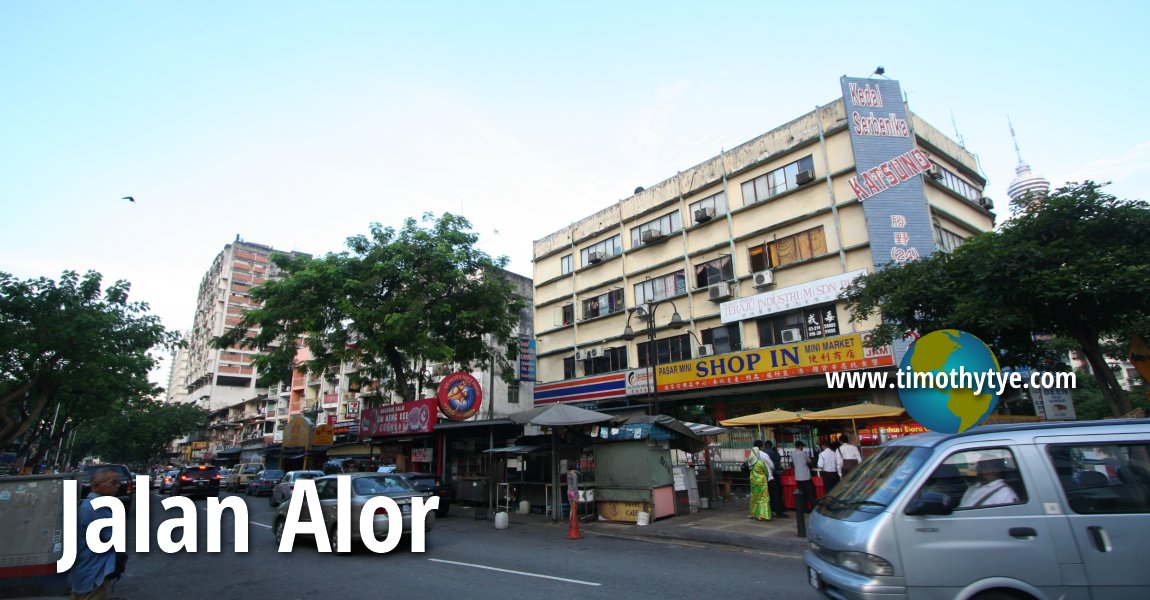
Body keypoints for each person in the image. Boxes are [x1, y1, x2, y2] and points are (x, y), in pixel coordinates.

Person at [70, 468, 119, 600]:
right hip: (93, 572)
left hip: (84, 571)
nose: (117, 486)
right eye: (113, 483)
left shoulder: (88, 505)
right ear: (97, 487)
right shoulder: (97, 507)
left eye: (117, 483)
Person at [747, 441, 773, 521]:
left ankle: (752, 514)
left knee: (754, 498)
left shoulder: (750, 462)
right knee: (763, 499)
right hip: (762, 482)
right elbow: (766, 472)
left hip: (753, 482)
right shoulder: (760, 462)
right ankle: (761, 515)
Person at [762, 440, 787, 517]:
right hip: (772, 475)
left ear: (765, 445)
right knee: (776, 494)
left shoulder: (758, 454)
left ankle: (769, 510)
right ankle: (779, 511)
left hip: (763, 477)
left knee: (768, 495)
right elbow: (775, 462)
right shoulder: (771, 452)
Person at [790, 441, 817, 511]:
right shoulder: (802, 453)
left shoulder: (792, 453)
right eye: (802, 446)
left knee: (801, 493)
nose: (802, 448)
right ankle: (814, 507)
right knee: (810, 493)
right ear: (800, 446)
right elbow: (809, 461)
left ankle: (804, 508)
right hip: (805, 476)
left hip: (798, 477)